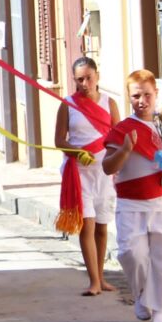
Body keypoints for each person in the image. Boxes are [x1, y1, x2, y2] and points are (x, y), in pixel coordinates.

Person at [103, 70, 162, 322]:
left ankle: (160, 308)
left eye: (147, 95)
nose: (142, 100)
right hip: (131, 203)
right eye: (136, 96)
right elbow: (108, 167)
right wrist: (125, 150)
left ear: (156, 94)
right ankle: (142, 295)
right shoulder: (123, 130)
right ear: (128, 97)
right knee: (132, 253)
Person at [54, 57, 120, 296]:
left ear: (97, 76)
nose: (85, 84)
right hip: (79, 173)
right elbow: (59, 140)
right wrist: (77, 152)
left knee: (102, 226)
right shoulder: (68, 104)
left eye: (88, 78)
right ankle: (93, 281)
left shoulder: (109, 103)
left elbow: (117, 136)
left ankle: (101, 278)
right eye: (79, 79)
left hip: (104, 172)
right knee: (87, 225)